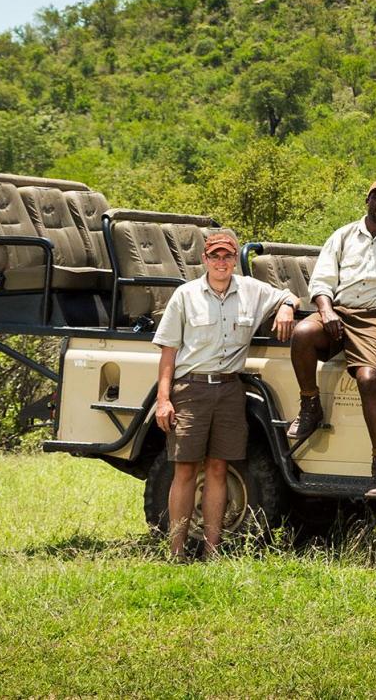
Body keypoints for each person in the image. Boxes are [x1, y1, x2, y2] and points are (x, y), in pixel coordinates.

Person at [152, 229, 297, 559]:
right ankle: (176, 551)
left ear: (235, 260)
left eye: (227, 256)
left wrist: (287, 307)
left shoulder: (251, 291)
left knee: (219, 468)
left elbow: (287, 295)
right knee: (186, 470)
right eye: (215, 256)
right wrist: (164, 399)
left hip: (231, 389)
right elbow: (168, 353)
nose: (221, 262)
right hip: (190, 388)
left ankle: (212, 550)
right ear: (204, 259)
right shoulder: (186, 296)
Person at [286, 179, 376, 498]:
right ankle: (310, 405)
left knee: (368, 379)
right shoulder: (343, 235)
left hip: (374, 317)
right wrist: (326, 312)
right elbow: (322, 282)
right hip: (337, 310)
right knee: (303, 333)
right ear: (367, 200)